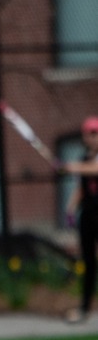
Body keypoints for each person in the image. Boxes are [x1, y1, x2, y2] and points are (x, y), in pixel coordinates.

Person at [59, 116, 98, 324]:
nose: (91, 137)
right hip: (89, 216)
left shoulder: (84, 164)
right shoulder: (83, 160)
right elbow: (81, 188)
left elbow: (95, 169)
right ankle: (84, 308)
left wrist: (69, 166)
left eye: (95, 133)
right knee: (89, 263)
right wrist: (70, 207)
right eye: (88, 133)